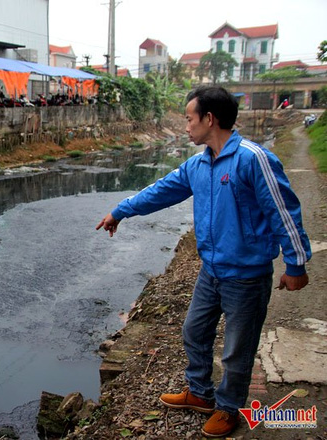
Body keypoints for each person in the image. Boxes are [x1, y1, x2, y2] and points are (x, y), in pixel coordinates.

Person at [96, 85, 311, 438]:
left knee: (236, 350)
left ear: (209, 119)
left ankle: (228, 408)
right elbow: (161, 190)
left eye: (188, 119)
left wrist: (296, 263)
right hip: (211, 270)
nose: (185, 126)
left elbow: (283, 211)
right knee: (193, 331)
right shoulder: (198, 164)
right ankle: (199, 392)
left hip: (246, 275)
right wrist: (120, 211)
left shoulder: (252, 159)